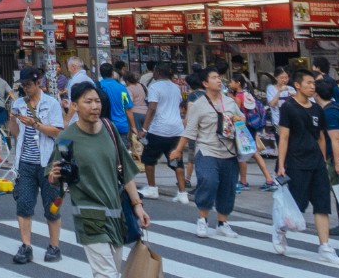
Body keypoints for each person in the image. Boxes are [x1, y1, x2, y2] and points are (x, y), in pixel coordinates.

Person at [48, 81, 150, 278]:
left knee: (113, 271)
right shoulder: (66, 138)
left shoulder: (109, 130)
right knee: (107, 274)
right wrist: (54, 175)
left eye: (97, 101)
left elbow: (124, 172)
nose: (95, 106)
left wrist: (137, 205)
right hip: (89, 215)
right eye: (88, 102)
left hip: (116, 213)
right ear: (75, 106)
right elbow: (54, 177)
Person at [271, 67, 339, 264]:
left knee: (322, 205)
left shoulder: (317, 109)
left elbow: (321, 137)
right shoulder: (288, 107)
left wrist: (323, 159)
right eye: (309, 83)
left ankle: (325, 246)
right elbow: (283, 137)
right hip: (296, 163)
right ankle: (280, 229)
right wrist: (281, 164)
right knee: (295, 206)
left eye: (314, 83)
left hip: (317, 164)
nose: (313, 87)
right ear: (297, 85)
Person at [5, 67, 65, 263]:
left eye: (29, 85)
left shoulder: (52, 103)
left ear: (39, 83)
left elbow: (57, 131)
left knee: (52, 206)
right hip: (25, 162)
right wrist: (12, 119)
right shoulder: (19, 103)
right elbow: (14, 133)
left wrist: (35, 125)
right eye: (23, 86)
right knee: (23, 204)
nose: (26, 89)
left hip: (48, 162)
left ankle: (54, 246)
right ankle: (26, 246)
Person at [181, 67, 242, 241]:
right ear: (205, 83)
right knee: (209, 181)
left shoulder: (230, 103)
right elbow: (190, 130)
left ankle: (223, 223)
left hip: (229, 151)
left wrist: (238, 120)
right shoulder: (199, 105)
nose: (219, 80)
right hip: (207, 149)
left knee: (228, 187)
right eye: (214, 78)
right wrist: (179, 149)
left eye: (219, 77)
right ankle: (203, 219)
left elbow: (241, 119)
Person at [140, 62, 186, 199]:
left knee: (148, 159)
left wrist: (144, 128)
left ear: (158, 73)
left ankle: (152, 188)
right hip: (176, 129)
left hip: (158, 129)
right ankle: (182, 193)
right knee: (176, 160)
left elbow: (152, 108)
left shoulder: (154, 87)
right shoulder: (176, 87)